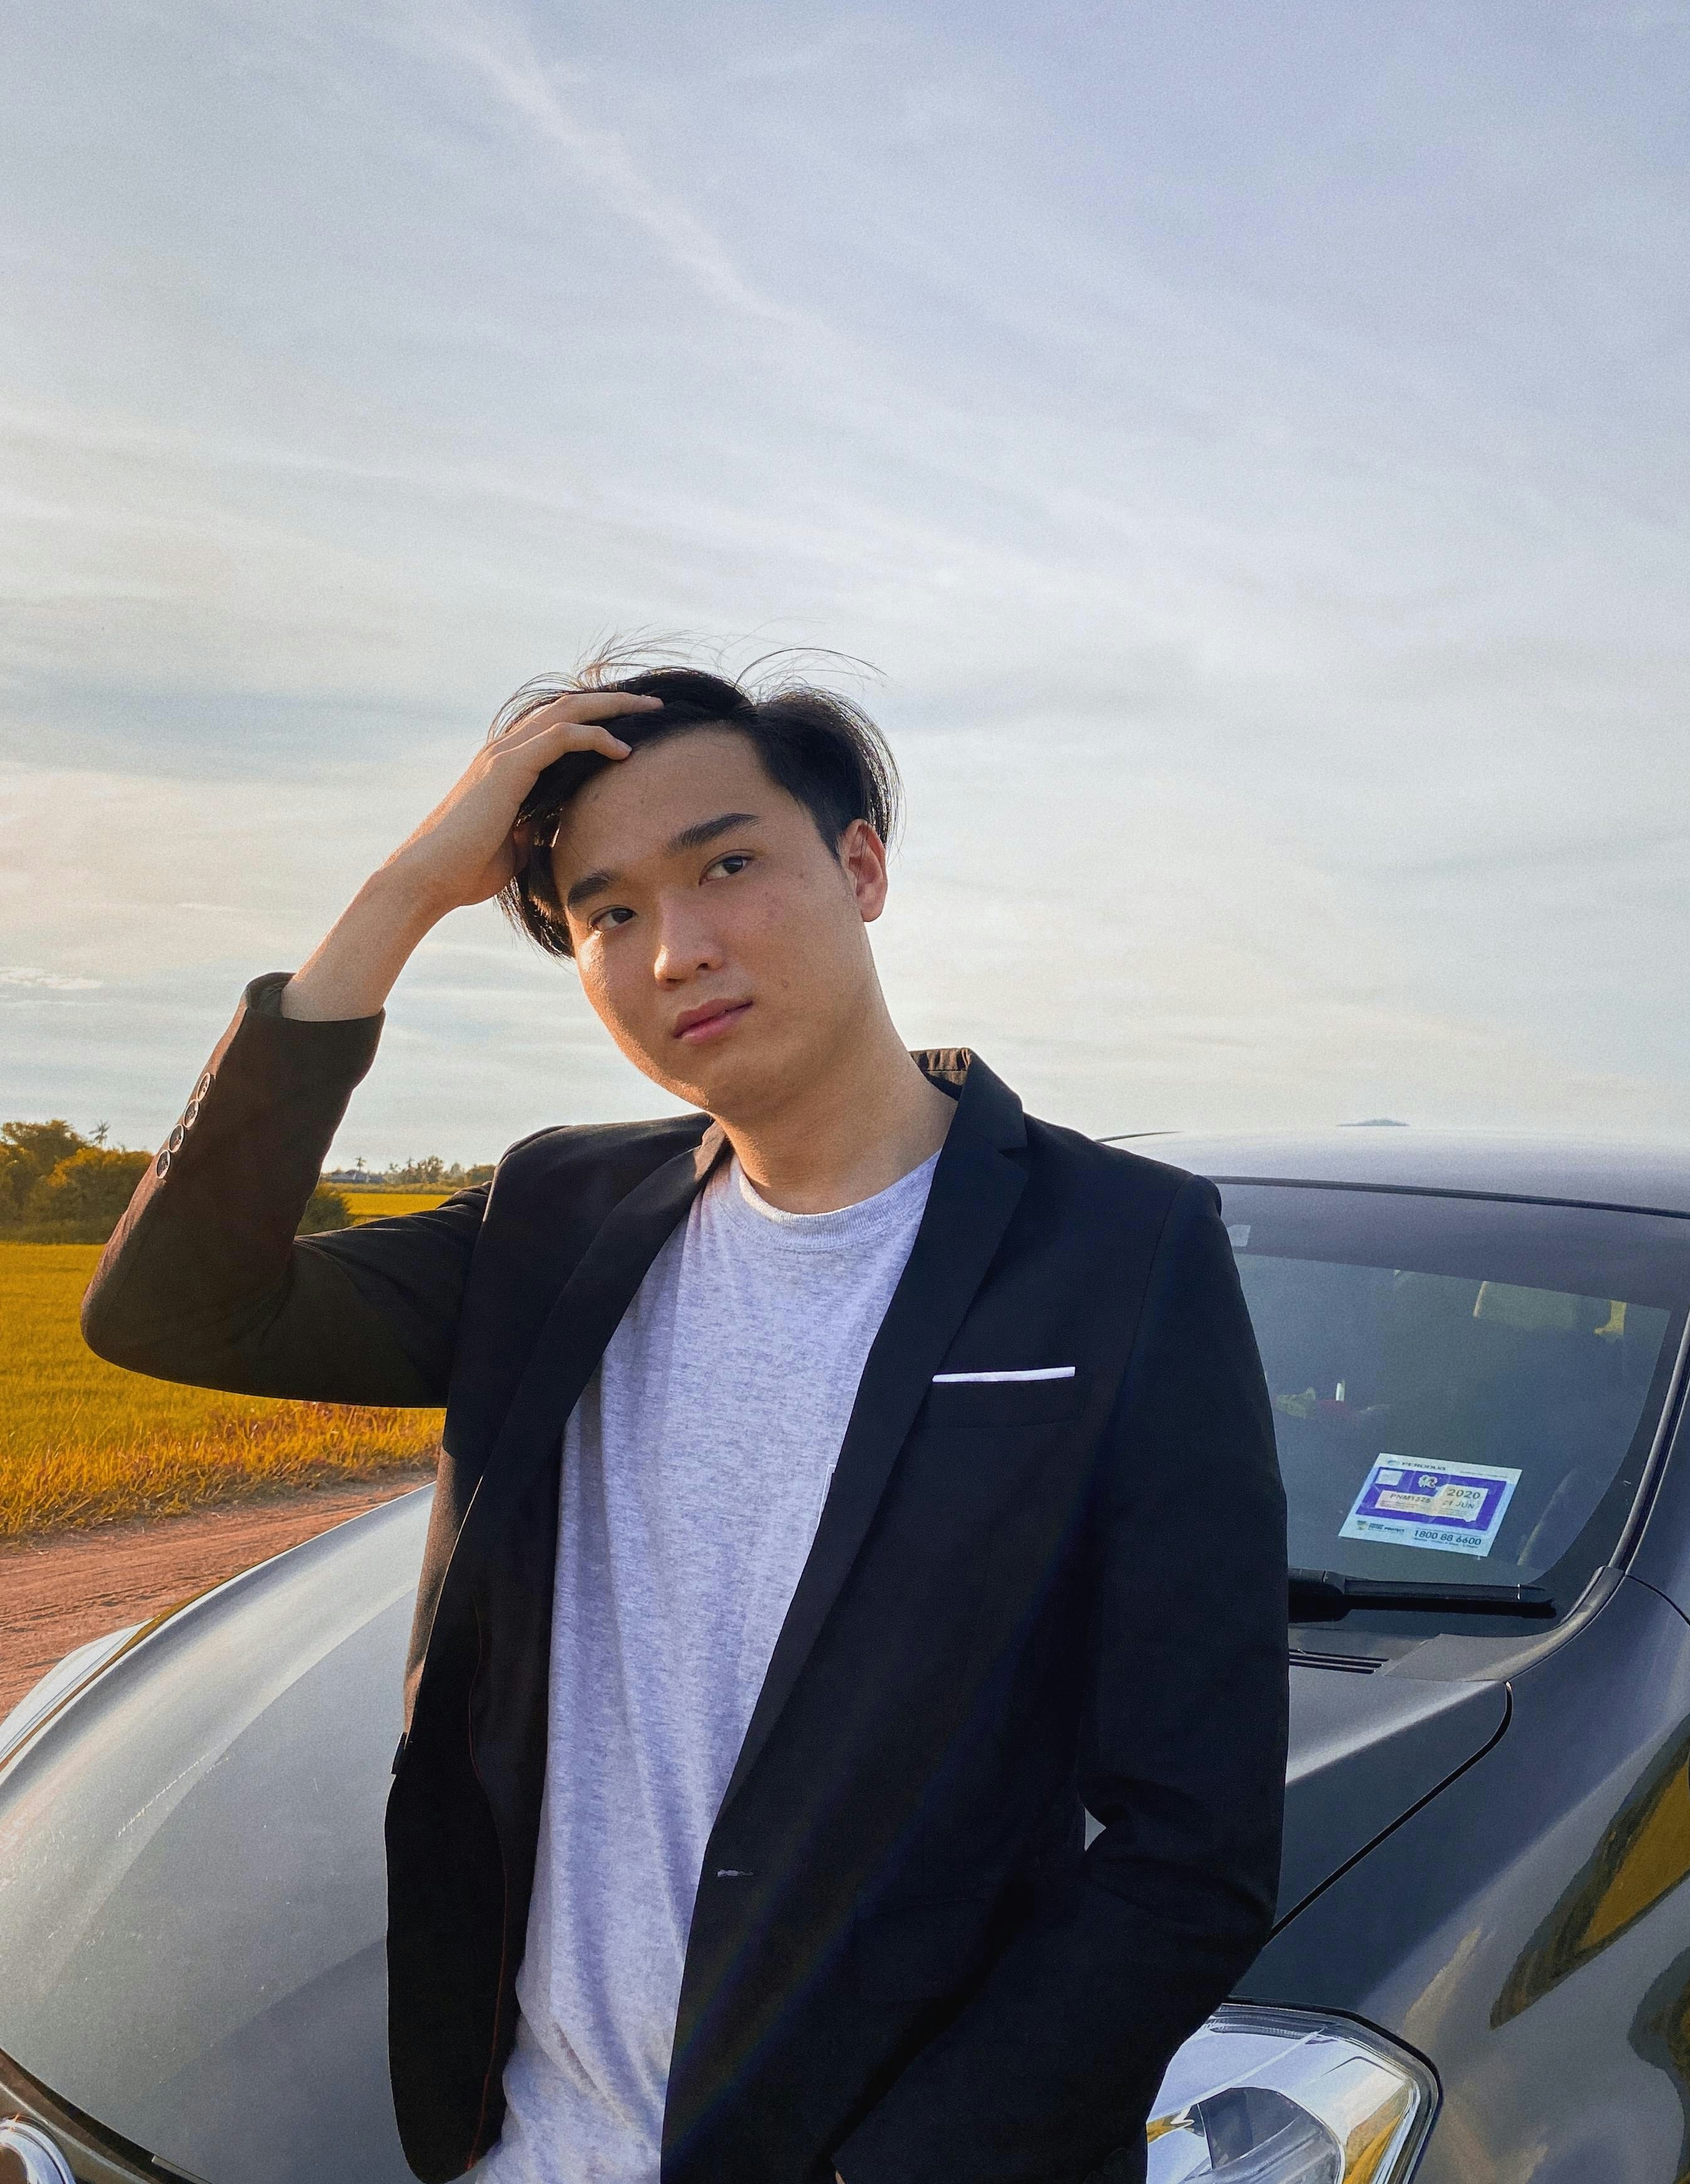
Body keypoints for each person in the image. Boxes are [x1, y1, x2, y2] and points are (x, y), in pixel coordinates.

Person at [83, 655, 1288, 2184]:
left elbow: (1191, 1849)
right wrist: (405, 892)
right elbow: (173, 1308)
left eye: (727, 865)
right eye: (608, 914)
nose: (677, 951)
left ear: (862, 868)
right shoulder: (558, 1217)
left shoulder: (1119, 1250)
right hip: (527, 2149)